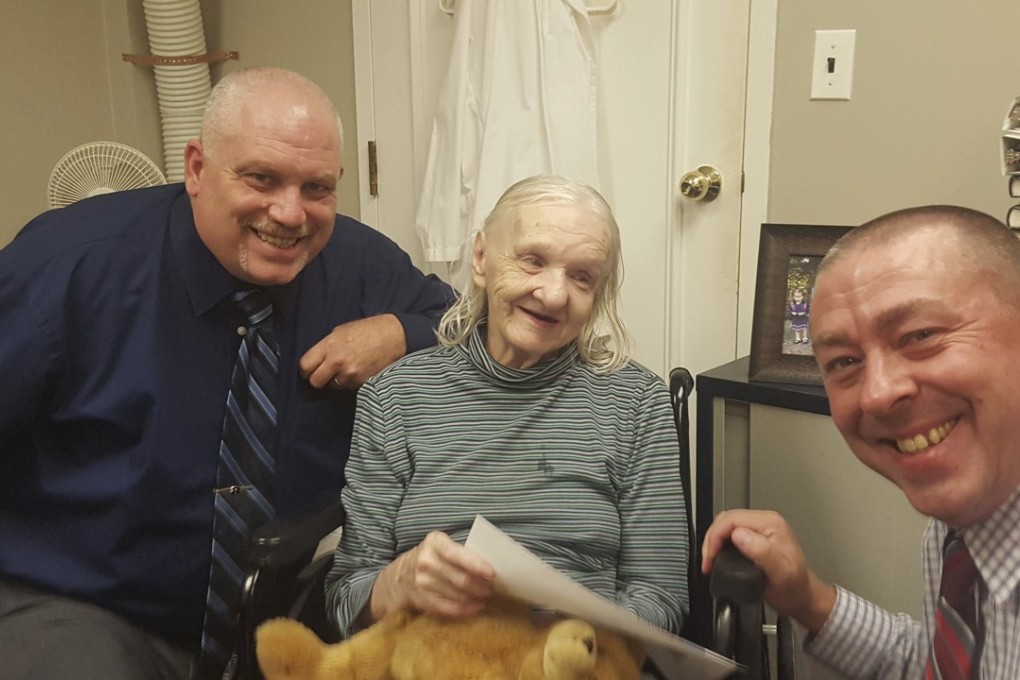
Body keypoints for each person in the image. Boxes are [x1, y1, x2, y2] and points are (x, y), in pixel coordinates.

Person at [0, 67, 454, 679]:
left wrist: (398, 331)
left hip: (289, 610)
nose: (289, 213)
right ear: (196, 168)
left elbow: (464, 321)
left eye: (316, 188)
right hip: (86, 603)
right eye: (261, 178)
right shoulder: (66, 268)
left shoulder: (360, 263)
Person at [324, 175, 690, 642]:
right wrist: (396, 585)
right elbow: (344, 600)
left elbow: (661, 597)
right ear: (481, 257)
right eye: (533, 261)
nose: (554, 294)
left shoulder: (635, 401)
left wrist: (576, 646)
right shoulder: (395, 396)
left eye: (581, 277)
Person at [702, 205, 1020, 679]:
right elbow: (942, 663)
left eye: (921, 335)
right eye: (845, 362)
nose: (877, 394)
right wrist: (807, 599)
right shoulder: (959, 528)